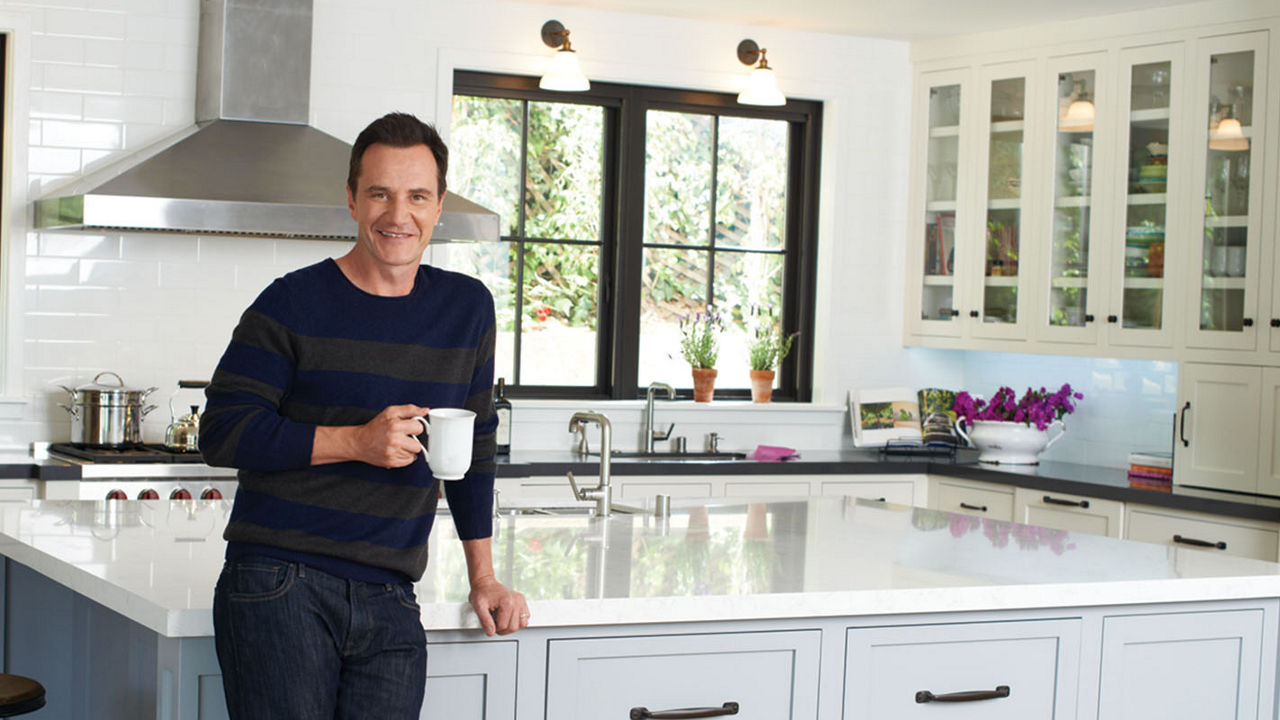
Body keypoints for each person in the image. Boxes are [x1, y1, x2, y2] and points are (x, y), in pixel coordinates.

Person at [200, 111, 528, 720]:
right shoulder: (290, 302)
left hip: (391, 591)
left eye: (416, 196)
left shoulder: (467, 309)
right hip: (279, 581)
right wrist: (355, 440)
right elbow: (221, 431)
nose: (397, 215)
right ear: (352, 199)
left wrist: (484, 576)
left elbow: (475, 449)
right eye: (379, 193)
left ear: (438, 205)